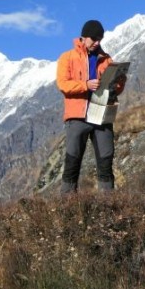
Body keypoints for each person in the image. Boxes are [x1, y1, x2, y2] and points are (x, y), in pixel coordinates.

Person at [56, 19, 125, 193]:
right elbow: (63, 84)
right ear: (83, 37)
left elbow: (115, 89)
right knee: (72, 161)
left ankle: (108, 206)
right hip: (77, 117)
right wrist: (85, 85)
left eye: (100, 39)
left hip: (102, 115)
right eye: (94, 39)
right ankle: (67, 207)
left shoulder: (107, 59)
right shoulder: (67, 58)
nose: (97, 43)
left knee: (106, 160)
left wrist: (119, 81)